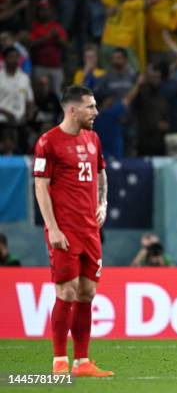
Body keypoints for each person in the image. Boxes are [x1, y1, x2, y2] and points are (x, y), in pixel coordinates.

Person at [33, 85, 113, 377]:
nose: (96, 112)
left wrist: (103, 202)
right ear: (72, 109)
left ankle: (82, 362)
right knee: (66, 291)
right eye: (90, 107)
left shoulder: (93, 139)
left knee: (87, 292)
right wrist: (52, 227)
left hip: (90, 230)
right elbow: (40, 185)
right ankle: (59, 362)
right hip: (64, 229)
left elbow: (101, 171)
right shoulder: (48, 142)